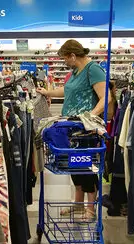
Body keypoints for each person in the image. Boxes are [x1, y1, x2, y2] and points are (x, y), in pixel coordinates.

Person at [37, 39, 110, 220]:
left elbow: (105, 98)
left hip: (85, 130)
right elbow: (67, 91)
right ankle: (78, 205)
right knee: (74, 167)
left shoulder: (93, 69)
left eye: (64, 59)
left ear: (73, 55)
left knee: (85, 168)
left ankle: (90, 209)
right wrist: (47, 93)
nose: (64, 62)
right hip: (71, 128)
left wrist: (90, 117)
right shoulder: (76, 71)